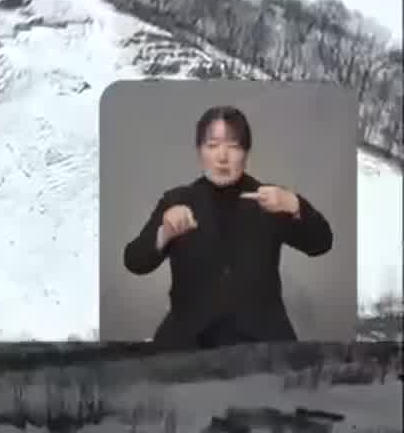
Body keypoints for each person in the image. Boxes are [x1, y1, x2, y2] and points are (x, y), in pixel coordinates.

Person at [121, 104, 334, 348]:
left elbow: (321, 243)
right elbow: (134, 261)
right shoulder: (177, 201)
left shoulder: (271, 199)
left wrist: (295, 204)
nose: (222, 157)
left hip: (263, 341)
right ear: (199, 151)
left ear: (246, 151)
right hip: (189, 339)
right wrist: (163, 234)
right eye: (212, 146)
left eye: (233, 146)